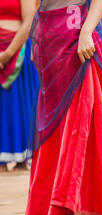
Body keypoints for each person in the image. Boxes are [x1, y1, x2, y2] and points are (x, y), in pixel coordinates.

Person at [24, 0, 102, 215]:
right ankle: (59, 205)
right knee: (58, 124)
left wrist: (87, 30)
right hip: (51, 41)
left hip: (80, 35)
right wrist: (37, 38)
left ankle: (79, 204)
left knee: (85, 118)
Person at [0, 0, 39, 172]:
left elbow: (28, 22)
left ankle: (22, 157)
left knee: (16, 104)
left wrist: (6, 54)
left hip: (17, 49)